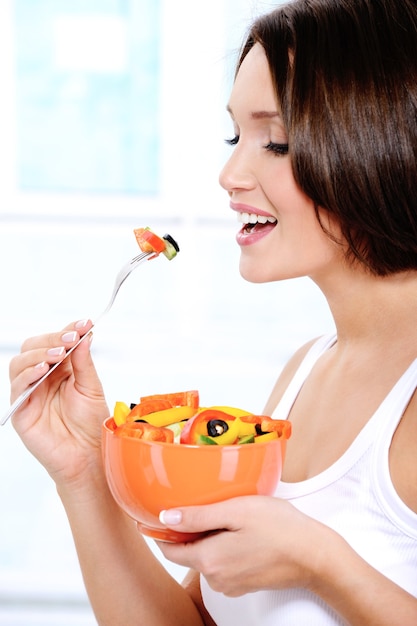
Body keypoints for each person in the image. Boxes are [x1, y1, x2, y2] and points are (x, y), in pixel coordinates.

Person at [8, 0, 417, 624]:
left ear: (378, 142)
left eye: (275, 141)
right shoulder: (304, 373)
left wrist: (322, 563)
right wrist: (84, 470)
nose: (230, 174)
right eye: (235, 137)